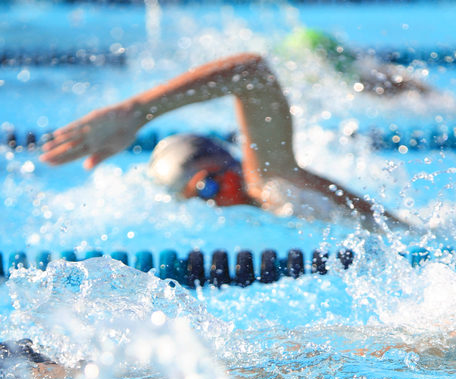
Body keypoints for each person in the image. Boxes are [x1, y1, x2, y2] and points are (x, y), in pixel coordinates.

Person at [40, 53, 411, 231]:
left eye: (208, 185)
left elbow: (252, 73)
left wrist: (140, 111)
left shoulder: (270, 180)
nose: (217, 200)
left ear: (229, 164)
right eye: (201, 197)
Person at [278, 27, 433, 97]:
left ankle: (426, 93)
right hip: (308, 44)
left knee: (364, 82)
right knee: (366, 80)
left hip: (308, 46)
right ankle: (427, 93)